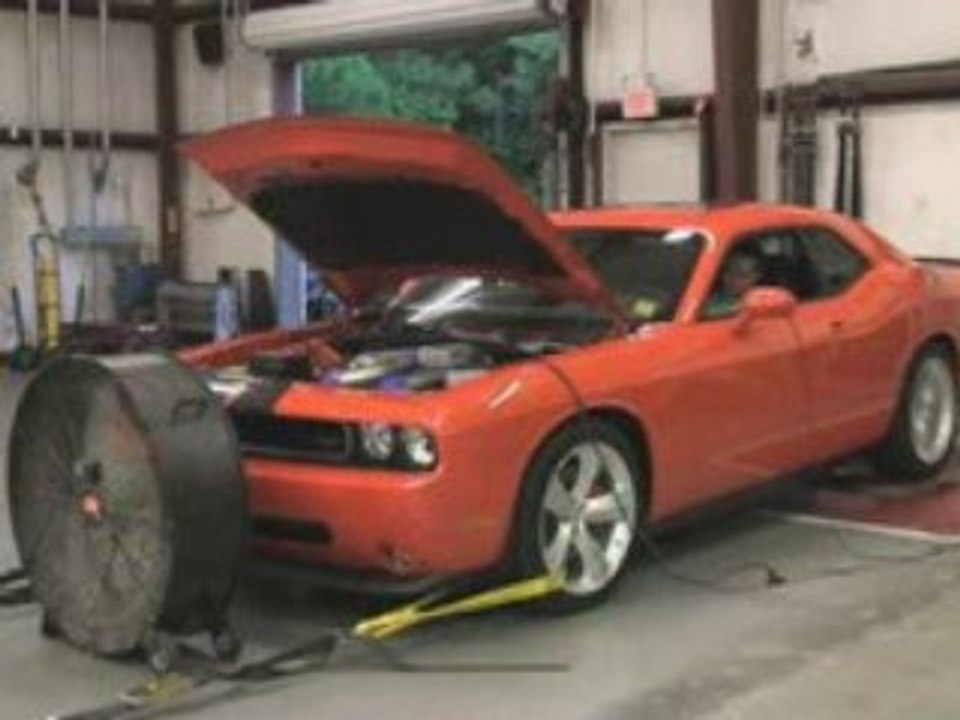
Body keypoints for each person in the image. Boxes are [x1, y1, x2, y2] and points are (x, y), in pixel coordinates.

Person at [703, 249, 763, 319]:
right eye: (728, 270)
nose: (733, 278)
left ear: (757, 276)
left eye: (741, 274)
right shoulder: (709, 295)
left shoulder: (759, 304)